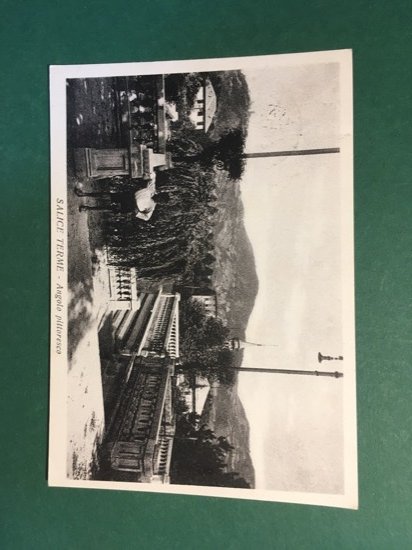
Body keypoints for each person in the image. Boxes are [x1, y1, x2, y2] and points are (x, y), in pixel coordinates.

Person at [76, 177, 162, 221]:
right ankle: (84, 194)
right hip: (129, 196)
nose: (158, 199)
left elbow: (146, 218)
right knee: (107, 196)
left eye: (161, 200)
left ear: (161, 203)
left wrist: (138, 213)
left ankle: (87, 208)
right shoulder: (152, 189)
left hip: (131, 207)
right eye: (160, 197)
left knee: (110, 209)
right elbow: (152, 175)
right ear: (160, 194)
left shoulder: (152, 207)